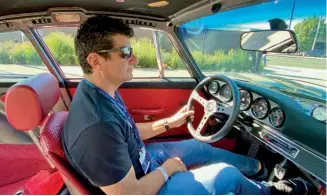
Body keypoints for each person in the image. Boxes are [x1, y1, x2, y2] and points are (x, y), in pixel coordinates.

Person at [62, 15, 311, 195]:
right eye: (125, 52)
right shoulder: (96, 126)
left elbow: (127, 132)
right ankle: (273, 191)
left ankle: (259, 167)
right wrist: (167, 170)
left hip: (141, 161)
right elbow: (129, 194)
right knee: (226, 176)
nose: (135, 59)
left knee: (198, 145)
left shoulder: (101, 92)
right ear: (95, 60)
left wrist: (170, 122)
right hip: (142, 186)